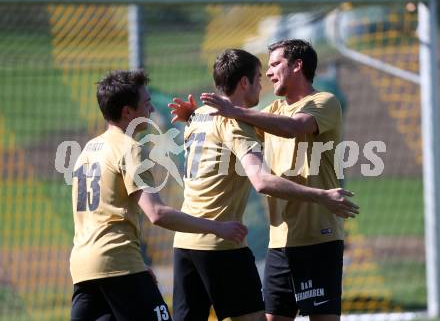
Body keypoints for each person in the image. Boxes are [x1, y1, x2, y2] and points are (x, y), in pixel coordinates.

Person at [169, 49, 358, 321]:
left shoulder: (324, 101)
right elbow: (260, 179)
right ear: (244, 82)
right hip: (246, 241)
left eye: (274, 65)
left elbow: (294, 126)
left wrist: (201, 114)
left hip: (317, 236)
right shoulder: (240, 119)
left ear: (297, 66)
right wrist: (321, 195)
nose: (267, 76)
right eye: (261, 73)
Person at [69, 69, 248, 321]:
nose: (152, 110)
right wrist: (217, 228)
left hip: (83, 268)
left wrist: (139, 265)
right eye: (147, 104)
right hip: (117, 263)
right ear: (127, 112)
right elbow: (157, 213)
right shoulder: (130, 148)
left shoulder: (88, 150)